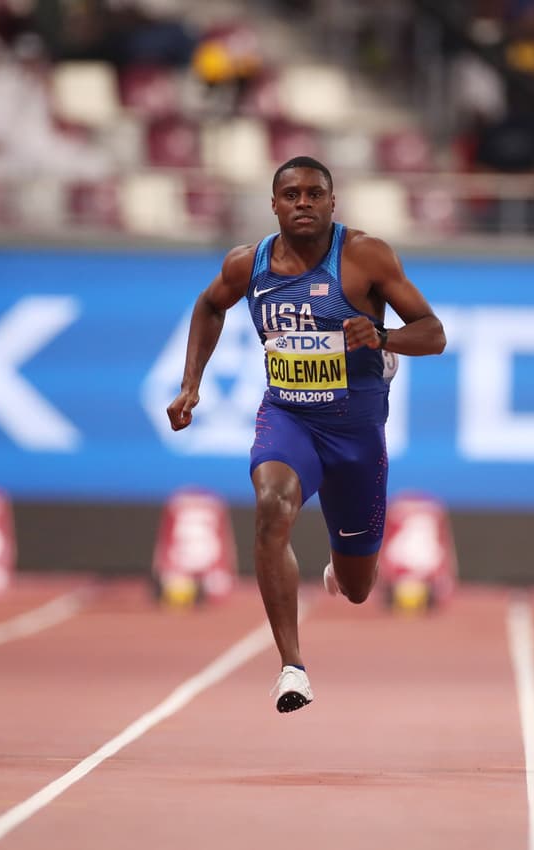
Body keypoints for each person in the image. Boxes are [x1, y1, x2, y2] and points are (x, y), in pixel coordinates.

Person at [167, 156, 446, 713]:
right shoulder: (248, 266)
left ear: (332, 203)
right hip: (288, 418)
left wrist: (383, 336)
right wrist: (190, 383)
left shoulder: (365, 256)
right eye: (291, 194)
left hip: (357, 435)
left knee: (359, 586)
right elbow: (208, 305)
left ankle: (342, 563)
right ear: (273, 205)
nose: (303, 203)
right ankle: (292, 666)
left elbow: (433, 334)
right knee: (272, 506)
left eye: (315, 194)